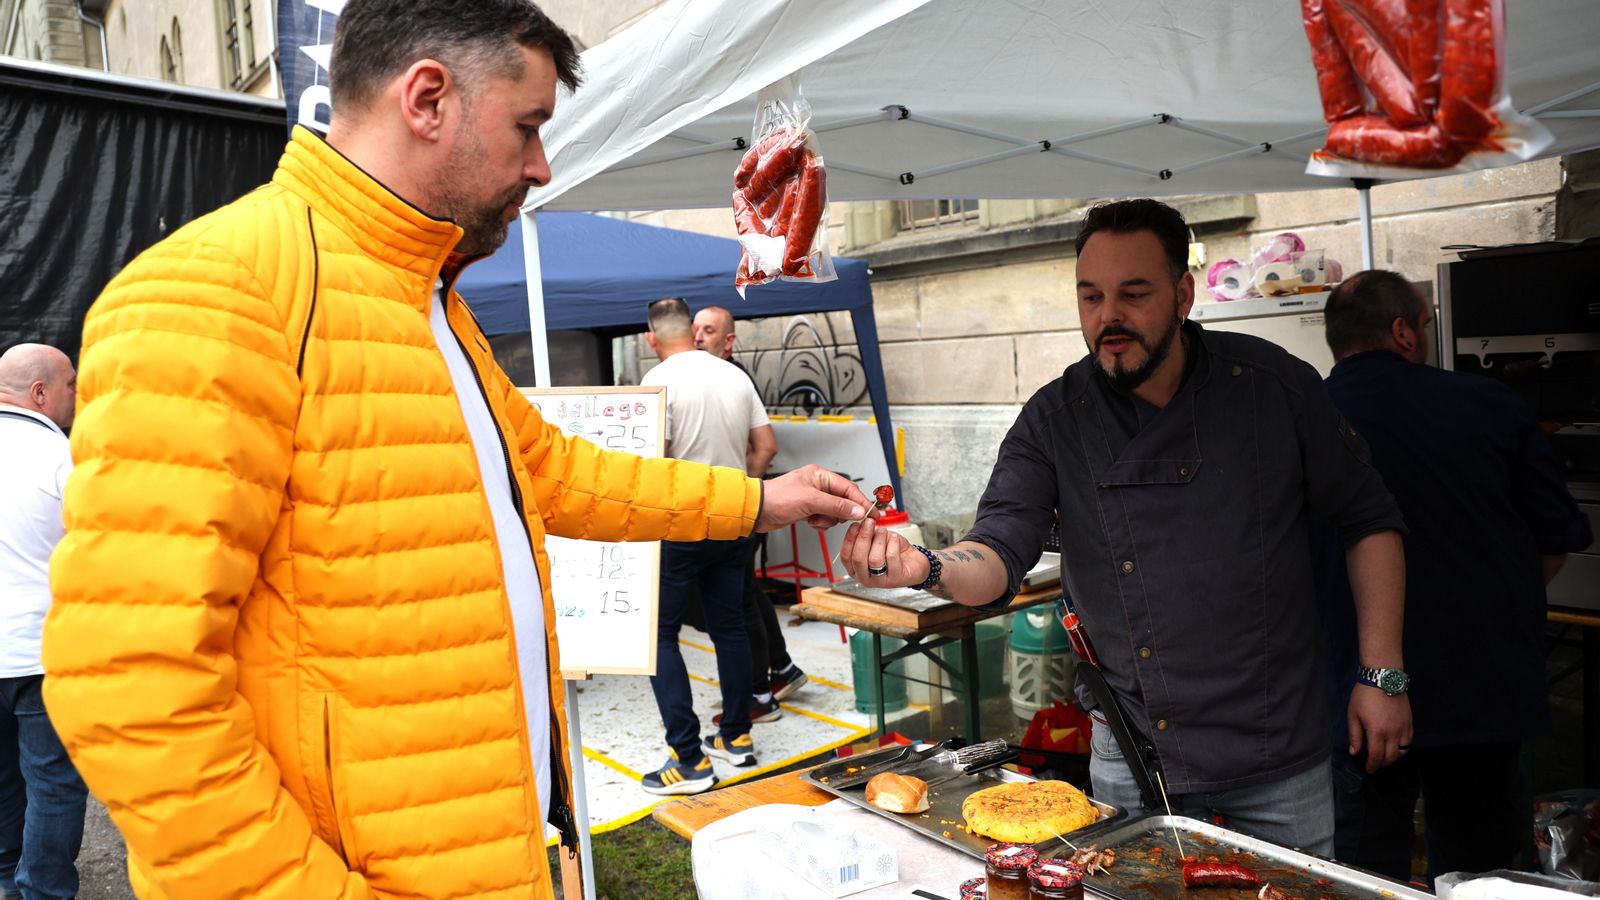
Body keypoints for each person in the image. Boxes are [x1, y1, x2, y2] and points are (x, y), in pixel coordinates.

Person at [40, 2, 874, 897]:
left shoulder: (432, 303)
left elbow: (552, 473)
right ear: (428, 98)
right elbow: (132, 685)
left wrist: (762, 502)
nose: (541, 166)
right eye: (528, 127)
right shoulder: (215, 290)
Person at [839, 199, 1411, 853]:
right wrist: (927, 567)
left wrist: (1382, 675)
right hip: (1134, 755)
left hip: (1276, 755)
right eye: (1091, 297)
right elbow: (998, 549)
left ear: (1183, 294)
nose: (1108, 317)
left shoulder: (1272, 387)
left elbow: (1370, 520)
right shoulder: (1057, 420)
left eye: (1133, 294)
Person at [1317, 270, 1592, 882]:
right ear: (1402, 332)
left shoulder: (1306, 417)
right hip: (1483, 684)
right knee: (1485, 880)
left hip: (1354, 691)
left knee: (1364, 877)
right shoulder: (1490, 403)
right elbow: (1555, 540)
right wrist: (1493, 595)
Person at [639, 299, 777, 794]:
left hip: (680, 522)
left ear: (651, 339)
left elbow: (650, 463)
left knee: (658, 636)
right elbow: (766, 446)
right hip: (733, 515)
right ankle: (737, 735)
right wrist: (746, 489)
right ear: (688, 331)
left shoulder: (658, 383)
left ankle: (689, 759)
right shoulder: (734, 376)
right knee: (730, 626)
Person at [0, 345, 87, 900]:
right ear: (40, 393)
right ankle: (43, 892)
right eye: (71, 385)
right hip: (40, 653)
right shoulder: (62, 458)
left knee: (3, 778)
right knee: (54, 783)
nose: (76, 395)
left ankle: (8, 877)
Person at [693, 304, 810, 714]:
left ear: (728, 341)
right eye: (696, 329)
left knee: (739, 600)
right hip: (726, 508)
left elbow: (765, 446)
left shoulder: (733, 379)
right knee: (747, 592)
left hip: (737, 509)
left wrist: (747, 492)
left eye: (708, 330)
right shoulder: (705, 377)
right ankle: (780, 669)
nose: (698, 337)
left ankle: (760, 690)